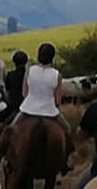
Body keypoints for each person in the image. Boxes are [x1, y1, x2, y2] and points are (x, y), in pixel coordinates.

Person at [10, 43, 74, 172]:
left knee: (11, 130)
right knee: (68, 129)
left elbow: (24, 94)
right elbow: (57, 101)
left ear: (39, 56)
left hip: (28, 109)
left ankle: (6, 158)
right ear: (52, 57)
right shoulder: (57, 75)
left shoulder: (29, 70)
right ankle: (67, 159)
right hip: (50, 111)